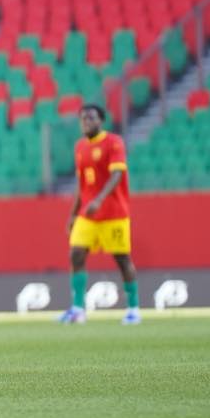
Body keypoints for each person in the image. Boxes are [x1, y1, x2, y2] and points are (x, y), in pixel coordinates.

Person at [59, 104, 140, 325]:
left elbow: (117, 175)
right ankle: (78, 309)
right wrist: (73, 214)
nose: (86, 122)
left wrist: (99, 199)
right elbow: (82, 184)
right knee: (76, 254)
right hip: (88, 214)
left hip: (113, 213)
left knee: (122, 259)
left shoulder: (113, 142)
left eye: (91, 118)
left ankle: (133, 309)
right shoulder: (80, 147)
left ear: (101, 121)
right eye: (83, 119)